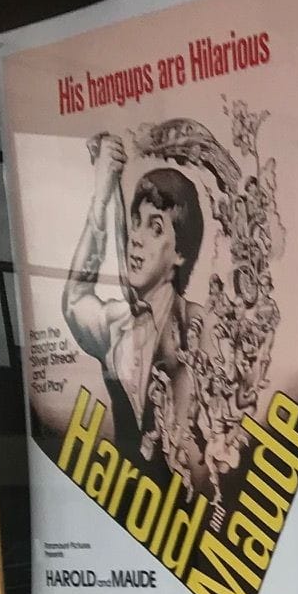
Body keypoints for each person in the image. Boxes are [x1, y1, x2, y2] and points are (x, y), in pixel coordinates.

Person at [62, 132, 209, 490]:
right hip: (129, 518)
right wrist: (100, 197)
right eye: (136, 222)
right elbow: (74, 298)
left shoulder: (199, 325)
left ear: (180, 253)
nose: (137, 238)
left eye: (155, 227)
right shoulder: (116, 325)